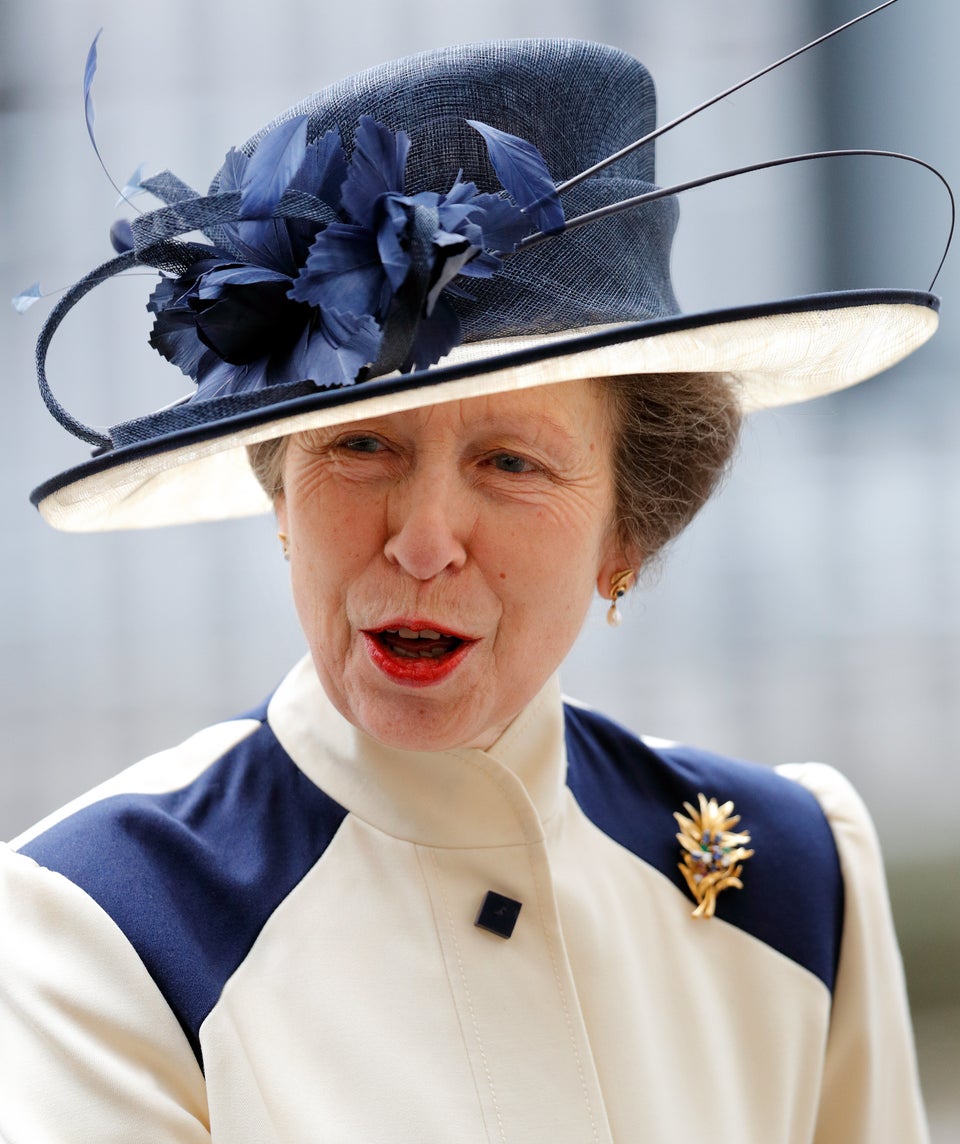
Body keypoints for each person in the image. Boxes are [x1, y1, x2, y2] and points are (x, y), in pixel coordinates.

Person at [1, 31, 938, 1144]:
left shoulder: (794, 875)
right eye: (360, 447)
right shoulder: (101, 920)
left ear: (627, 525)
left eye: (511, 462)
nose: (425, 539)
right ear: (282, 497)